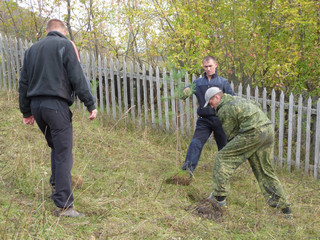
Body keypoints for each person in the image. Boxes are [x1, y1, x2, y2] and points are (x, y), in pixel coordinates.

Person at [18, 19, 98, 217]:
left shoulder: (32, 49)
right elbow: (77, 76)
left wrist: (26, 112)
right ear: (63, 31)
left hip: (37, 107)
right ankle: (64, 206)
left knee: (56, 147)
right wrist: (90, 104)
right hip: (56, 107)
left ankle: (56, 187)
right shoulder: (65, 45)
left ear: (47, 31)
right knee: (64, 153)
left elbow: (24, 82)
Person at [203, 87, 292, 217]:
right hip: (267, 130)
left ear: (217, 97)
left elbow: (231, 136)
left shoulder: (224, 109)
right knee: (265, 170)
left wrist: (239, 155)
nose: (211, 107)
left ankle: (218, 198)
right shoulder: (238, 99)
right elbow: (257, 105)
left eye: (211, 103)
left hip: (253, 132)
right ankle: (285, 210)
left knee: (223, 158)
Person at [181, 56, 234, 175]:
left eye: (210, 66)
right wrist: (185, 90)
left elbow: (232, 98)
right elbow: (187, 90)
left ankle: (225, 172)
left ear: (216, 65)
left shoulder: (222, 82)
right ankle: (187, 171)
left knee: (223, 147)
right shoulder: (198, 83)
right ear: (203, 67)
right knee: (196, 143)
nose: (208, 68)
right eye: (206, 66)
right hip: (204, 120)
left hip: (220, 119)